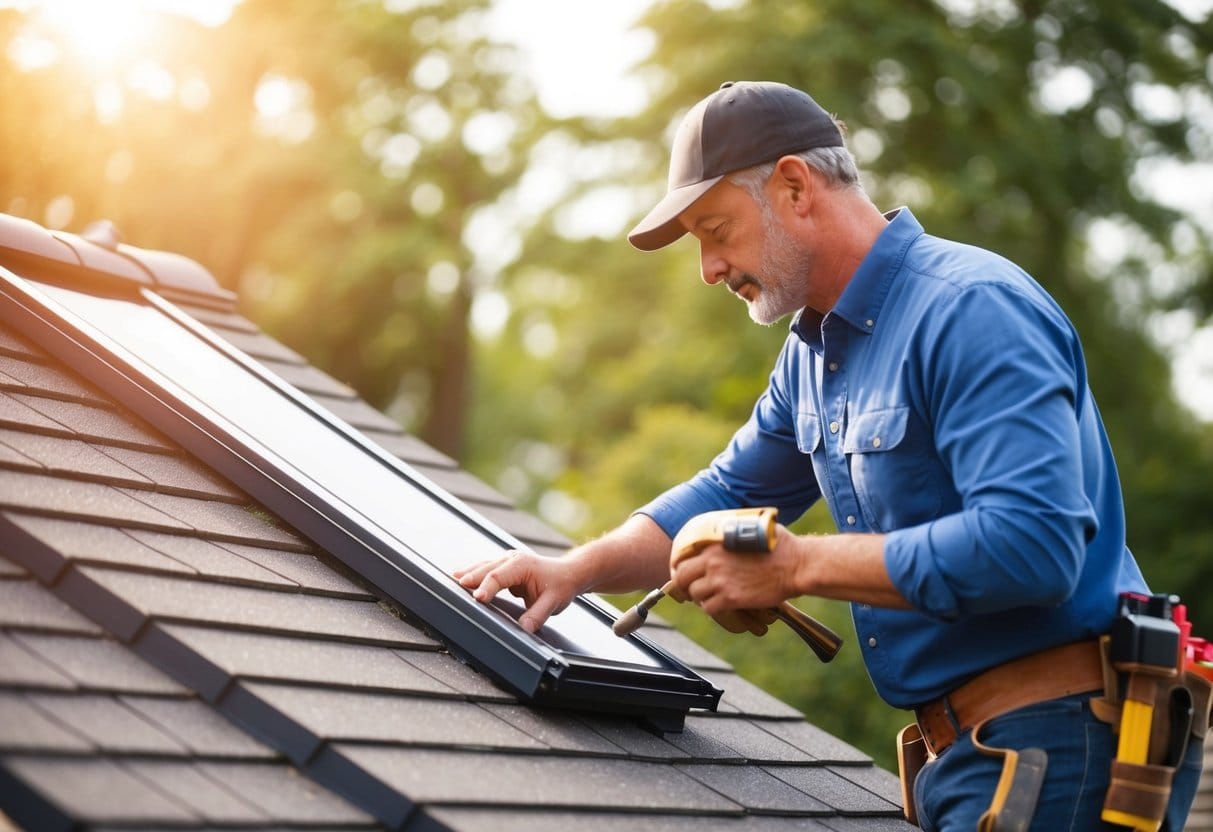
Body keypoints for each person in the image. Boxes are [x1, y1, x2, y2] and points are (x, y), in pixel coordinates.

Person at [454, 80, 1206, 830]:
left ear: (793, 186)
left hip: (1060, 743)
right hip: (975, 757)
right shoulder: (812, 356)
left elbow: (1032, 545)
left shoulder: (970, 309)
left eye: (715, 230)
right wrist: (573, 570)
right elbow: (724, 493)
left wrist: (793, 566)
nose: (708, 268)